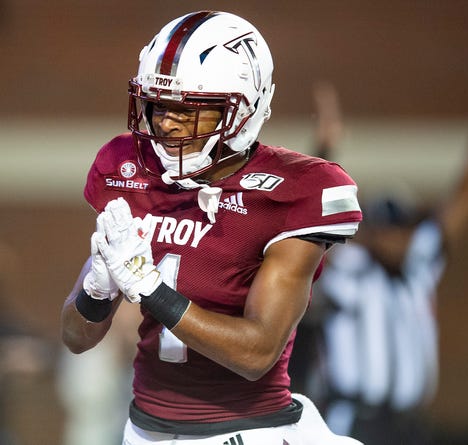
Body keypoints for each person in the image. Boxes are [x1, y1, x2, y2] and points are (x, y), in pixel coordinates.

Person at [60, 10, 363, 445]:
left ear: (244, 109)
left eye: (189, 110)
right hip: (144, 432)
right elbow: (75, 338)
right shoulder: (127, 168)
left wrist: (151, 290)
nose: (166, 123)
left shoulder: (293, 190)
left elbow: (257, 351)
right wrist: (95, 290)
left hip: (249, 433)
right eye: (159, 105)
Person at [290, 61, 468, 444]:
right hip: (352, 420)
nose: (396, 239)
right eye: (388, 228)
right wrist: (324, 152)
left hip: (410, 424)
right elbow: (310, 225)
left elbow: (465, 198)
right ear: (370, 231)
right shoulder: (348, 268)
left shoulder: (420, 264)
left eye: (404, 227)